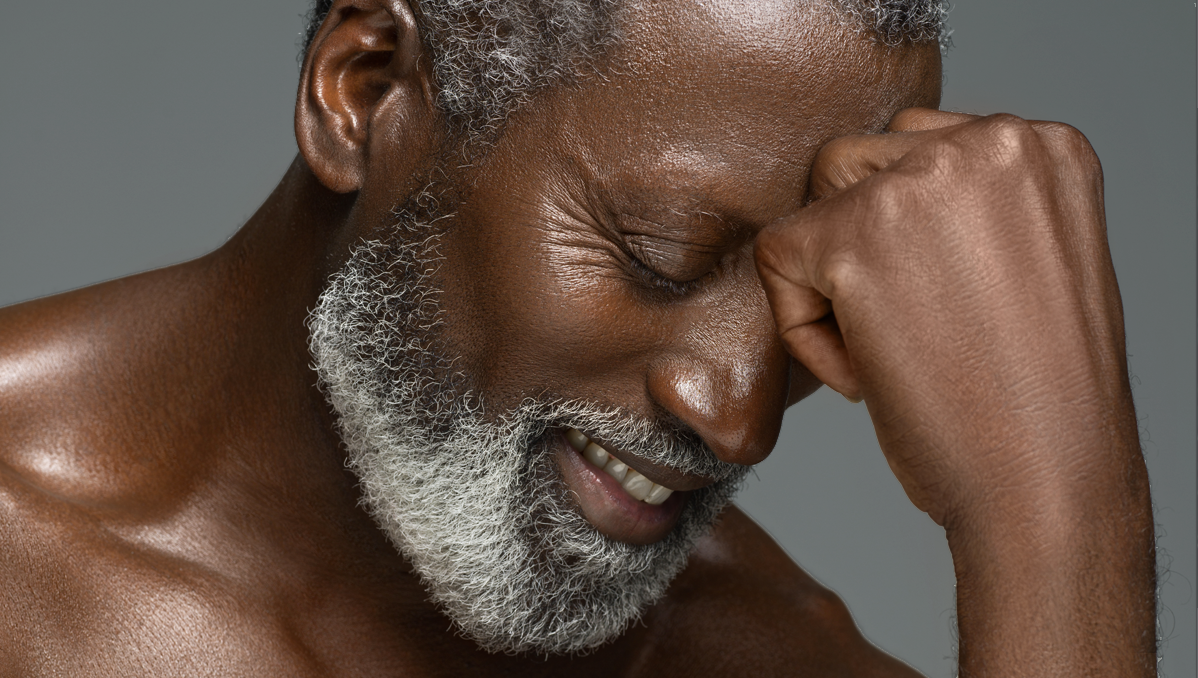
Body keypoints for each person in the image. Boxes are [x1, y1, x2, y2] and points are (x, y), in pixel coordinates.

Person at [0, 0, 1157, 674]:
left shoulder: (763, 654)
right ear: (366, 91)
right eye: (659, 253)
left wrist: (1057, 519)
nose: (739, 420)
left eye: (814, 311)